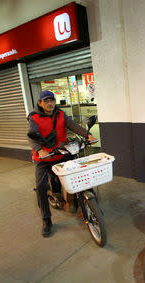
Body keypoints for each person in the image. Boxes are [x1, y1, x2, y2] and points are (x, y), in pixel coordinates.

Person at [27, 90, 97, 237]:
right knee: (41, 186)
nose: (50, 103)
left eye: (52, 100)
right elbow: (32, 136)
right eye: (46, 101)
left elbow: (72, 125)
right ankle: (47, 220)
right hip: (44, 158)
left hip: (61, 153)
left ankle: (92, 202)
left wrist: (88, 135)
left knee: (80, 172)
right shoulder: (34, 117)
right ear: (40, 103)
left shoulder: (60, 114)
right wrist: (39, 150)